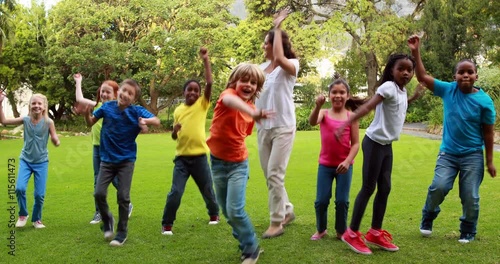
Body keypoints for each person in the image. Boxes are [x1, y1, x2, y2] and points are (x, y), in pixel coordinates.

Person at [407, 35, 496, 244]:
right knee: (439, 186)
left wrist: (489, 160)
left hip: (473, 155)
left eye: (470, 72)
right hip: (448, 153)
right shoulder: (448, 90)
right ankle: (428, 215)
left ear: (476, 75)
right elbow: (422, 77)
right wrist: (416, 52)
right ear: (455, 76)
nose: (465, 75)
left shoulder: (484, 101)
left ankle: (468, 230)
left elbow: (489, 133)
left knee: (470, 196)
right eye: (461, 72)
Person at [336, 54, 424, 255]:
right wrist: (347, 123)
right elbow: (368, 106)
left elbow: (398, 107)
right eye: (401, 68)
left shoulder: (400, 91)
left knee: (385, 188)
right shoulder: (387, 87)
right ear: (391, 70)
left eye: (409, 70)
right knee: (368, 187)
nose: (406, 73)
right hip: (374, 143)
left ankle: (375, 232)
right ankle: (352, 232)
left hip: (386, 146)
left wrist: (414, 97)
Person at [207, 63, 272, 264]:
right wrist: (252, 112)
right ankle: (245, 242)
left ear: (257, 88)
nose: (248, 85)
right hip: (217, 163)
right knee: (226, 212)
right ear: (234, 82)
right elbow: (229, 100)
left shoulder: (251, 109)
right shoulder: (227, 96)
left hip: (238, 165)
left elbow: (242, 132)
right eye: (244, 80)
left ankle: (251, 249)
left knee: (235, 209)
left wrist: (253, 112)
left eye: (253, 83)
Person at [84, 79, 160, 246]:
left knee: (123, 197)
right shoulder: (106, 107)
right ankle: (108, 219)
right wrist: (86, 113)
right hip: (107, 160)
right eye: (124, 90)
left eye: (130, 93)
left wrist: (144, 122)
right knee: (99, 193)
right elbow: (90, 122)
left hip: (126, 161)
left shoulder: (136, 111)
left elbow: (157, 120)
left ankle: (122, 232)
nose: (125, 94)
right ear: (118, 91)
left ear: (133, 99)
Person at [161, 47, 219, 235]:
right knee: (175, 192)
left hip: (200, 157)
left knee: (208, 190)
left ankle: (214, 214)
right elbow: (173, 137)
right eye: (190, 90)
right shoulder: (178, 110)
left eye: (196, 90)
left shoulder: (202, 105)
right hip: (182, 160)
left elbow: (209, 82)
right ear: (184, 92)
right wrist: (174, 131)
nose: (193, 93)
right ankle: (167, 224)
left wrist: (205, 60)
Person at [256, 8, 299, 239]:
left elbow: (281, 59)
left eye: (266, 43)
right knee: (270, 175)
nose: (263, 46)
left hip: (283, 127)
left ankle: (276, 222)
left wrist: (278, 26)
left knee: (274, 174)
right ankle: (288, 210)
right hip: (263, 129)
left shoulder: (291, 65)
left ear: (275, 44)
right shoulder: (260, 70)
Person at [74, 74, 134, 224]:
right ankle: (99, 212)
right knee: (97, 180)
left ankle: (126, 203)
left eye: (108, 92)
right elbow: (80, 98)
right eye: (102, 91)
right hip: (97, 148)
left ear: (115, 94)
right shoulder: (97, 106)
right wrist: (78, 82)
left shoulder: (119, 108)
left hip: (112, 150)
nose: (104, 94)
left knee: (114, 179)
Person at [308, 79, 361, 241]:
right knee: (321, 201)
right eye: (334, 92)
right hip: (325, 166)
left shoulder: (351, 116)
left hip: (344, 167)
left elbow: (356, 144)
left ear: (348, 95)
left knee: (342, 201)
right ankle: (321, 229)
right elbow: (311, 122)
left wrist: (347, 161)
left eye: (342, 92)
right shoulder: (323, 113)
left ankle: (340, 231)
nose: (338, 96)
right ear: (329, 95)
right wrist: (317, 106)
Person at [0, 92, 60, 229]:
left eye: (39, 104)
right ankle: (23, 214)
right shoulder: (25, 120)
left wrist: (55, 140)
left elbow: (55, 137)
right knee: (19, 188)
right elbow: (3, 121)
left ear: (44, 107)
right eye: (34, 103)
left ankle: (36, 219)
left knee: (39, 195)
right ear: (30, 105)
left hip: (42, 162)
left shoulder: (49, 122)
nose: (36, 106)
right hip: (26, 161)